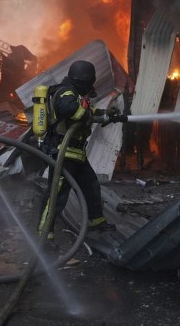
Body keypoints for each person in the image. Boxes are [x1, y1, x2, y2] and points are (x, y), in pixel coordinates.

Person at [38, 60, 120, 241]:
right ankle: (44, 235)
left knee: (91, 187)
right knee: (56, 196)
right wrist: (91, 116)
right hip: (63, 154)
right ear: (84, 80)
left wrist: (105, 114)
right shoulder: (65, 92)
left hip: (76, 154)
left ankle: (95, 221)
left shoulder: (75, 94)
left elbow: (87, 110)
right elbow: (70, 110)